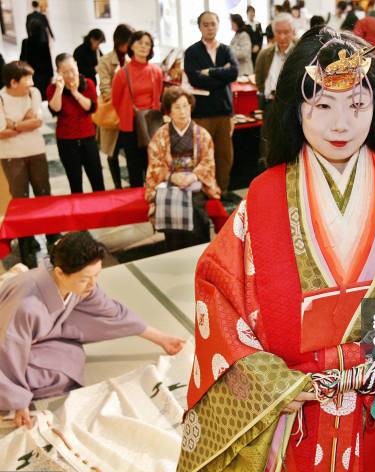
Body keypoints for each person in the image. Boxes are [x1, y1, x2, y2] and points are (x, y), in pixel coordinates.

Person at [172, 27, 375, 472]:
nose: (341, 124)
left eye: (357, 105)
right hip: (293, 414)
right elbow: (219, 295)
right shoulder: (262, 199)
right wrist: (268, 383)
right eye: (322, 105)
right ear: (295, 108)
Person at [0, 231, 186, 428]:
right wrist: (18, 402)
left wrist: (161, 338)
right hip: (6, 343)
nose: (92, 284)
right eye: (84, 279)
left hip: (34, 339)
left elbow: (112, 313)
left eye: (97, 275)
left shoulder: (78, 283)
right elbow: (8, 350)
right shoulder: (27, 304)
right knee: (49, 377)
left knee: (70, 362)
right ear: (60, 273)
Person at [145, 87, 221, 251]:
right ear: (169, 111)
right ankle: (175, 251)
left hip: (195, 183)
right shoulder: (161, 135)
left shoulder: (202, 134)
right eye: (177, 107)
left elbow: (208, 162)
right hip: (169, 183)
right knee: (173, 201)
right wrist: (172, 177)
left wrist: (193, 176)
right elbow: (155, 164)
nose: (182, 111)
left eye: (185, 106)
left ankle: (200, 250)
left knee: (194, 203)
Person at [0, 61, 53, 268]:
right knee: (20, 202)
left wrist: (13, 124)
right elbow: (1, 131)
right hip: (12, 155)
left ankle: (52, 238)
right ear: (13, 82)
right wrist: (23, 123)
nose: (32, 83)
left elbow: (38, 122)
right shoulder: (2, 98)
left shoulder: (34, 93)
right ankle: (26, 245)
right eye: (27, 79)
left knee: (44, 195)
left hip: (36, 151)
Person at [184, 11, 238, 194]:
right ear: (199, 27)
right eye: (205, 25)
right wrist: (222, 75)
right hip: (202, 114)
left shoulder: (226, 50)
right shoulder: (192, 52)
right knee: (203, 157)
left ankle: (221, 192)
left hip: (224, 112)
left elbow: (234, 73)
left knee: (225, 157)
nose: (209, 28)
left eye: (213, 24)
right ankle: (205, 193)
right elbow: (195, 79)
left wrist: (210, 72)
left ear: (218, 25)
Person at [112, 30, 163, 188]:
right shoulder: (122, 73)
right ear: (131, 46)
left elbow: (159, 96)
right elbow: (116, 101)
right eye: (139, 42)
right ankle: (136, 201)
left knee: (152, 164)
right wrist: (131, 114)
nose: (143, 46)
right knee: (134, 167)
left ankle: (153, 199)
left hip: (151, 123)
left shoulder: (156, 71)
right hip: (131, 125)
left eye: (147, 43)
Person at [47, 53, 104, 194]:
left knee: (97, 181)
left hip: (88, 138)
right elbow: (56, 109)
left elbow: (91, 108)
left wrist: (75, 92)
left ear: (77, 66)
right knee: (75, 183)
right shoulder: (53, 89)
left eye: (72, 70)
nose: (70, 75)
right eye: (65, 72)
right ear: (58, 72)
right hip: (67, 141)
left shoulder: (88, 83)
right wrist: (60, 89)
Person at [96, 23, 134, 190]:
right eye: (130, 42)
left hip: (131, 115)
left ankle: (135, 186)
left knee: (134, 153)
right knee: (112, 154)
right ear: (120, 42)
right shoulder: (105, 60)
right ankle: (118, 186)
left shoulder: (133, 59)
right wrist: (124, 99)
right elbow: (104, 88)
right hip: (112, 113)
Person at [255, 13, 295, 111]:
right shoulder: (264, 54)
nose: (282, 36)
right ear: (273, 32)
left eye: (286, 32)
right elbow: (259, 80)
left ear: (293, 31)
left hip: (293, 107)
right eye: (278, 32)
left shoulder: (300, 53)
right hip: (270, 106)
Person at [19, 19, 53, 100]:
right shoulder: (44, 43)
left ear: (30, 29)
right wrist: (51, 75)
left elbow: (22, 58)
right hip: (44, 74)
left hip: (31, 73)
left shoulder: (26, 42)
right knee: (44, 96)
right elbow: (48, 60)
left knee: (34, 95)